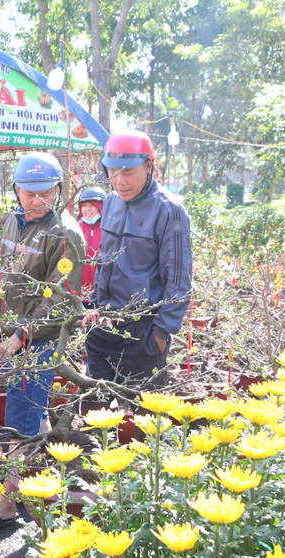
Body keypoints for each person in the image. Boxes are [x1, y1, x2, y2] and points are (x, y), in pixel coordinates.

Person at [0, 153, 85, 533]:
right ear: (15, 189)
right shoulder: (13, 221)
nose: (37, 201)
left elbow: (62, 301)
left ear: (59, 189)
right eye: (29, 193)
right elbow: (5, 276)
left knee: (19, 421)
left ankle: (5, 506)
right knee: (31, 412)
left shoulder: (64, 234)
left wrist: (22, 334)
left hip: (41, 340)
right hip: (11, 333)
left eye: (45, 193)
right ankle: (47, 475)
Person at [86, 130, 192, 389]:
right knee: (95, 406)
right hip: (103, 325)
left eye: (129, 173)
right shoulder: (111, 202)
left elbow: (178, 279)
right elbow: (104, 260)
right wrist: (94, 307)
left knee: (144, 411)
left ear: (149, 166)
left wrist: (160, 335)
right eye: (113, 172)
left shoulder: (169, 209)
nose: (119, 181)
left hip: (143, 332)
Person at [76, 187, 105, 302]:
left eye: (92, 205)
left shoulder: (108, 228)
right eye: (84, 205)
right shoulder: (75, 228)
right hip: (80, 293)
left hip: (103, 292)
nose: (88, 209)